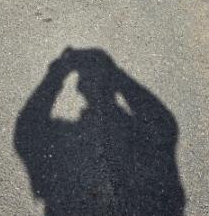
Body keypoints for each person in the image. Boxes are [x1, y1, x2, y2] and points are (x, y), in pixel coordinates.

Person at [14, 48, 184, 215]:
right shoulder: (145, 148)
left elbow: (27, 131)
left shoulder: (69, 139)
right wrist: (117, 75)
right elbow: (163, 124)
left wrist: (56, 73)